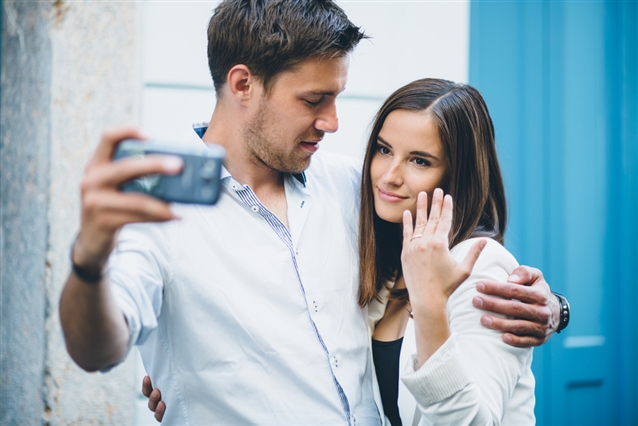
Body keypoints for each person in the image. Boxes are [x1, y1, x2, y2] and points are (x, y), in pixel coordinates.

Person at [59, 1, 565, 424]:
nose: (334, 122)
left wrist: (552, 306)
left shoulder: (352, 185)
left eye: (337, 97)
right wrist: (88, 262)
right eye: (314, 99)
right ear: (242, 85)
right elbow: (96, 348)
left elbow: (445, 274)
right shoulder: (157, 212)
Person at [363, 78, 535, 424]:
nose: (389, 176)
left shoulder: (482, 267)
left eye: (420, 161)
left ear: (457, 176)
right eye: (384, 150)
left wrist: (429, 302)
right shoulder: (392, 261)